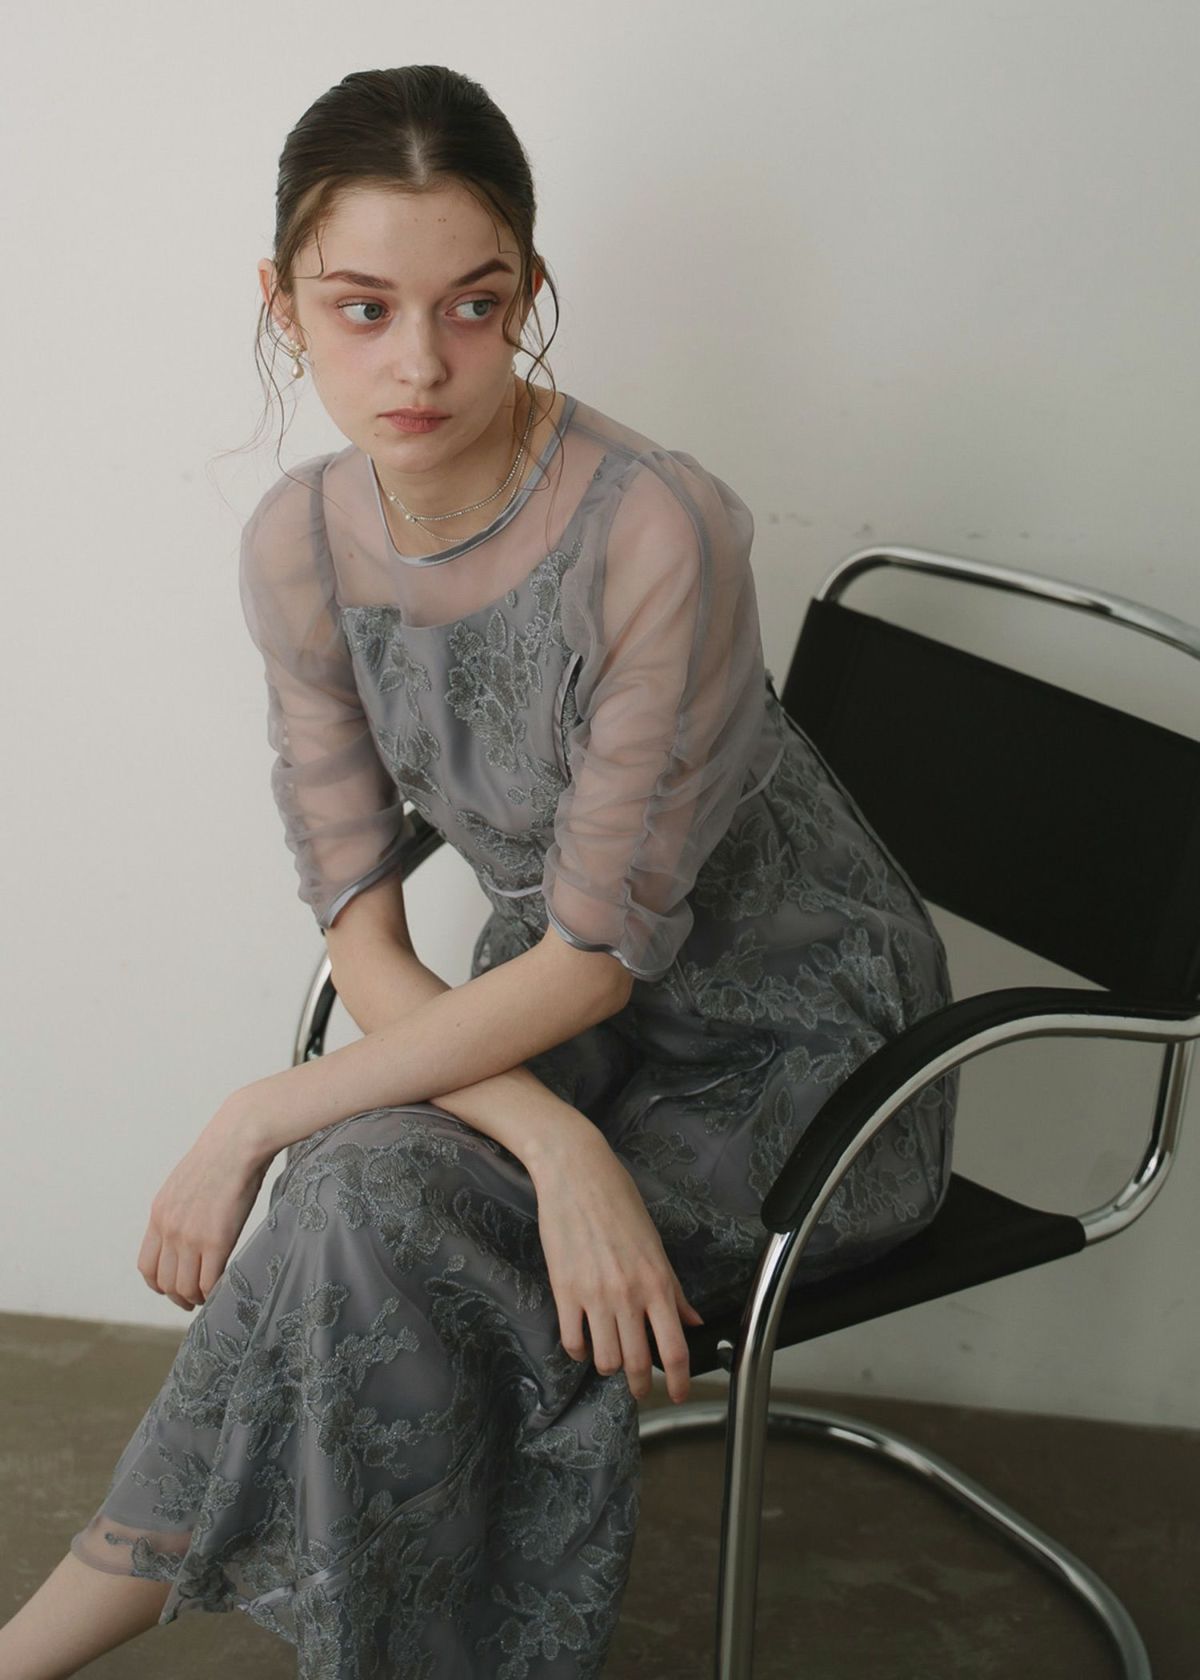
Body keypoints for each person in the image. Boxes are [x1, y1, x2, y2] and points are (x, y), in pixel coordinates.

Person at [0, 63, 959, 1680]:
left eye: (474, 303)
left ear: (528, 290)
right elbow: (362, 930)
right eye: (362, 308)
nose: (422, 364)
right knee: (359, 1196)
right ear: (281, 302)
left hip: (805, 1057)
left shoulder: (657, 530)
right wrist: (551, 1139)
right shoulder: (299, 546)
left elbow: (593, 956)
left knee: (354, 1206)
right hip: (562, 1031)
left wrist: (258, 1111)